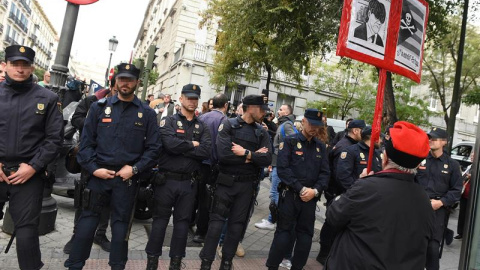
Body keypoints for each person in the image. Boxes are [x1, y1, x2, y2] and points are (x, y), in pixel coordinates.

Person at [64, 63, 161, 270]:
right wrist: (94, 169)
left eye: (130, 79)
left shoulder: (147, 113)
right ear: (115, 81)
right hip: (98, 177)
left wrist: (134, 169)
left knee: (120, 228)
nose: (125, 83)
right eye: (122, 79)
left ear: (137, 82)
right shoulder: (98, 108)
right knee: (86, 225)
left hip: (126, 181)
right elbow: (86, 145)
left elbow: (154, 150)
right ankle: (75, 265)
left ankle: (117, 266)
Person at [326, 121, 435, 269]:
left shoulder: (366, 187)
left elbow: (334, 216)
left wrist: (358, 185)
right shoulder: (424, 198)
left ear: (384, 158)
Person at [0, 45, 64, 270]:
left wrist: (33, 167)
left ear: (32, 67)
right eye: (14, 64)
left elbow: (54, 140)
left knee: (26, 232)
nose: (19, 69)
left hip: (28, 174)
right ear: (4, 66)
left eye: (24, 65)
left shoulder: (47, 98)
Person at [200, 95, 272, 270]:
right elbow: (224, 155)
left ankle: (226, 262)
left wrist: (246, 153)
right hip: (225, 183)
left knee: (236, 227)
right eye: (261, 108)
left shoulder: (261, 131)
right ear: (250, 108)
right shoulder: (229, 125)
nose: (264, 113)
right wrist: (254, 156)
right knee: (216, 224)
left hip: (246, 187)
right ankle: (206, 263)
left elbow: (268, 158)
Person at [145, 84, 211, 270]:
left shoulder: (202, 126)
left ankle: (175, 262)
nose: (192, 101)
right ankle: (152, 261)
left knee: (182, 225)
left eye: (195, 98)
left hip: (188, 183)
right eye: (189, 97)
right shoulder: (169, 122)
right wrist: (192, 145)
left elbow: (206, 151)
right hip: (166, 181)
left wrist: (183, 146)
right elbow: (169, 145)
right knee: (160, 221)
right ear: (180, 99)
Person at [265, 109, 330, 270]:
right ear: (303, 122)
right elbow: (283, 169)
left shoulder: (320, 147)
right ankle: (272, 266)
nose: (315, 129)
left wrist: (315, 191)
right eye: (312, 125)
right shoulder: (290, 141)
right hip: (291, 195)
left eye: (318, 126)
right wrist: (301, 189)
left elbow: (325, 173)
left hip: (310, 199)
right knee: (283, 233)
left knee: (305, 237)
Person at [63, 77, 118, 254]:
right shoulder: (92, 101)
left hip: (112, 160)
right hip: (90, 158)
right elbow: (76, 119)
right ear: (111, 87)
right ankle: (76, 235)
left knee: (107, 201)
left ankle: (100, 234)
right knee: (84, 198)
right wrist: (94, 121)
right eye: (117, 88)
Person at [317, 119, 365, 265]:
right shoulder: (345, 147)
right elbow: (341, 175)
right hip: (338, 192)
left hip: (343, 192)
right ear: (356, 130)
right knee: (332, 222)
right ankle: (324, 254)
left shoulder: (351, 145)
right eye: (363, 130)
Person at [415, 127, 462, 270]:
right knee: (414, 246)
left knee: (433, 248)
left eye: (434, 139)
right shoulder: (420, 160)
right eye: (429, 138)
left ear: (444, 142)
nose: (430, 141)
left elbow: (456, 190)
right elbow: (411, 181)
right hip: (418, 207)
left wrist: (441, 202)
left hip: (437, 209)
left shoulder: (452, 165)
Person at [192, 94, 229, 244]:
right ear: (225, 105)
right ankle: (201, 232)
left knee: (195, 194)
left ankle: (189, 222)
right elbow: (221, 146)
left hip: (198, 161)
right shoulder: (224, 120)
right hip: (211, 165)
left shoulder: (202, 117)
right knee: (206, 200)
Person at [255, 104, 296, 231]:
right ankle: (274, 220)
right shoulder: (283, 124)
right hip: (277, 163)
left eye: (281, 109)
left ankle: (273, 220)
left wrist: (282, 154)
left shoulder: (287, 125)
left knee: (274, 193)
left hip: (280, 163)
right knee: (275, 192)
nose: (278, 111)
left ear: (287, 112)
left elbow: (294, 141)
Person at [336, 126, 382, 191]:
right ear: (372, 137)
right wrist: (357, 190)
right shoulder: (350, 152)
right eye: (379, 137)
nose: (381, 140)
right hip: (356, 195)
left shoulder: (377, 154)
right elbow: (343, 177)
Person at [455, 151, 473, 240]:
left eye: (474, 155)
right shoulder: (470, 166)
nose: (472, 157)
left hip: (472, 196)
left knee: (469, 216)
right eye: (472, 155)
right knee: (462, 214)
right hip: (464, 194)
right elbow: (463, 177)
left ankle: (467, 234)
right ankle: (461, 233)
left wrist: (472, 176)